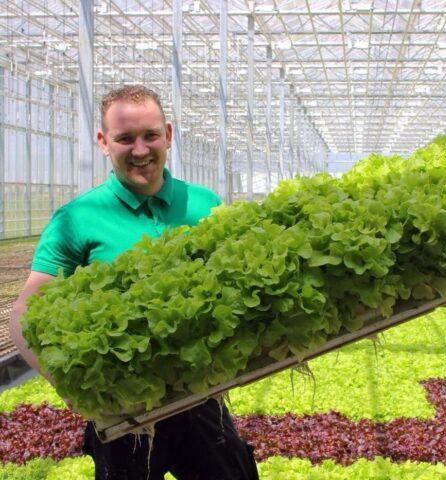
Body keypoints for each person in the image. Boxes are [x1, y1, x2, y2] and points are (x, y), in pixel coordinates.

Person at [9, 85, 259, 480]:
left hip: (200, 401)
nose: (140, 150)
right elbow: (25, 311)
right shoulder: (77, 218)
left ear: (169, 135)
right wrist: (74, 390)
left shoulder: (205, 204)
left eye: (150, 135)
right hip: (123, 416)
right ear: (104, 142)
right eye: (125, 139)